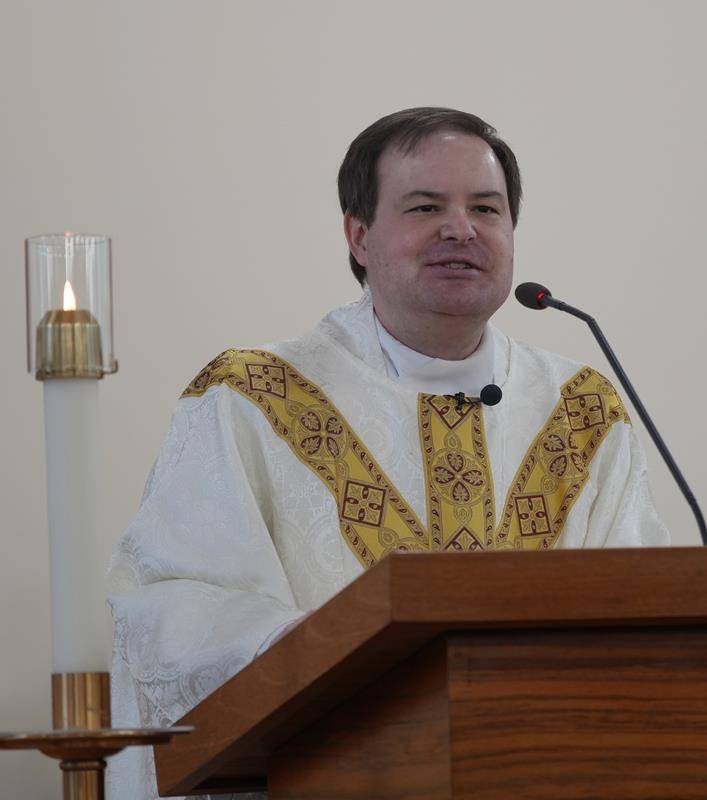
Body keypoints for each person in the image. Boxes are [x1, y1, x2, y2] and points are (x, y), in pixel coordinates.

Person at [106, 107, 669, 799]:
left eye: (485, 208)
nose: (460, 229)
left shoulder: (580, 412)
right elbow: (173, 607)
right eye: (425, 206)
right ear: (359, 234)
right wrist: (335, 647)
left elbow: (642, 622)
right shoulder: (249, 397)